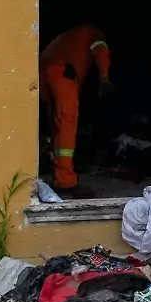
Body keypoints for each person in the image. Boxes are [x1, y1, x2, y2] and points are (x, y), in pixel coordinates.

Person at [39, 24, 113, 194]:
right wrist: (104, 78)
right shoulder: (94, 32)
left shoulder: (67, 37)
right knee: (67, 124)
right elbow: (101, 50)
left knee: (54, 125)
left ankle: (54, 169)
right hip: (63, 73)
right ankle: (65, 180)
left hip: (42, 71)